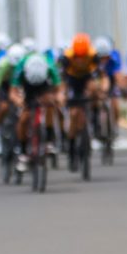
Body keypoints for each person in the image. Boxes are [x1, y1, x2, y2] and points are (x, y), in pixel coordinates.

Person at [58, 33, 105, 167]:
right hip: (72, 80)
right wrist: (62, 94)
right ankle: (72, 149)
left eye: (82, 57)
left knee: (94, 91)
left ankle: (95, 123)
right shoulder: (66, 57)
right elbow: (62, 80)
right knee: (73, 114)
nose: (80, 60)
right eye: (77, 57)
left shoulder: (93, 55)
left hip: (86, 78)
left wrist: (99, 90)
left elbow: (99, 75)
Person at [12, 53, 62, 173]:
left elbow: (58, 88)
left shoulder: (50, 66)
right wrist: (19, 101)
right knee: (23, 119)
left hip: (44, 86)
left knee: (50, 105)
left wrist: (58, 98)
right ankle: (23, 153)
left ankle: (49, 140)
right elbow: (13, 91)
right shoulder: (20, 67)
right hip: (27, 87)